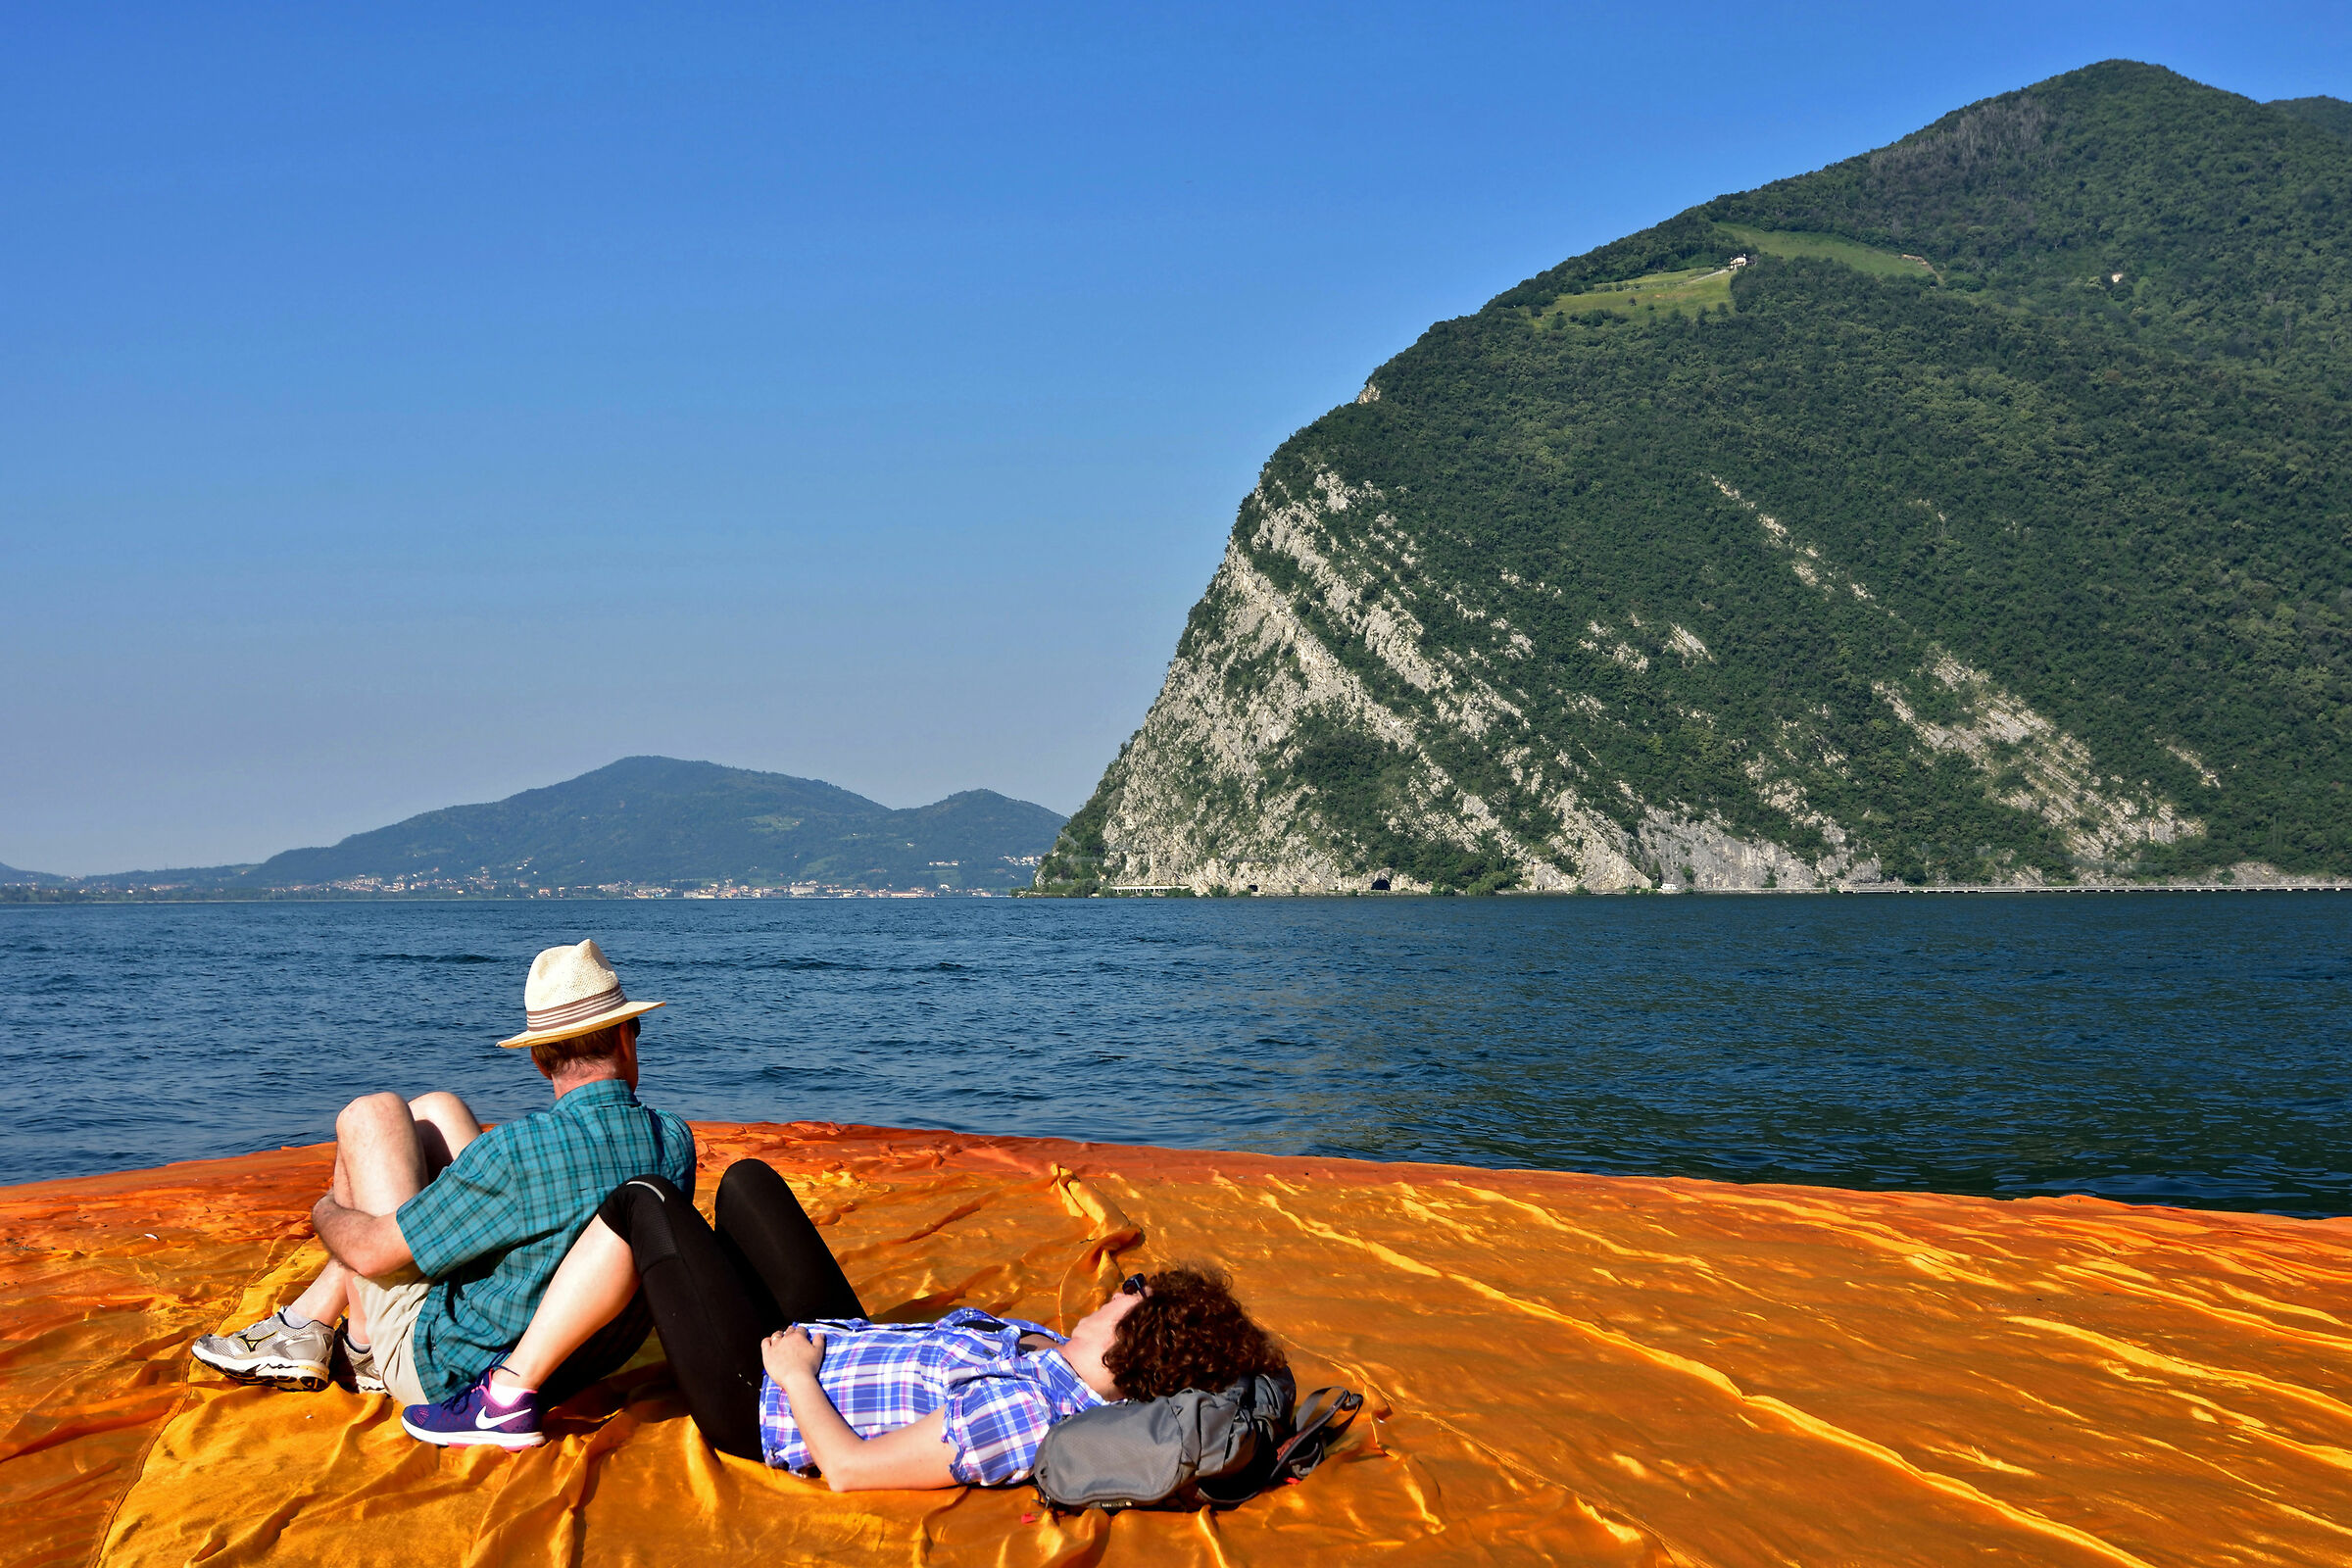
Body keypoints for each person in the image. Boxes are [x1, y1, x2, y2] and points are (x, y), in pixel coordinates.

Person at [424, 1156, 1287, 1484]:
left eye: (1132, 1291)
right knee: (747, 1184)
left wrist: (795, 1374)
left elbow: (851, 1470)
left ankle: (505, 1397)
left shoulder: (1026, 1413)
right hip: (841, 1340)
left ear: (1138, 1343)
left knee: (645, 1200)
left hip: (765, 1400)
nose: (1117, 1286)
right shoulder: (1057, 1355)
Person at [191, 938, 697, 1439]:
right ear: (626, 1036)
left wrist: (326, 1208)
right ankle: (311, 1325)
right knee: (437, 1109)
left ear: (539, 1061)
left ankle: (353, 1347)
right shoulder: (674, 1139)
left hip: (451, 1371)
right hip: (580, 1364)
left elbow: (370, 1254)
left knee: (372, 1116)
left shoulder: (515, 1152)